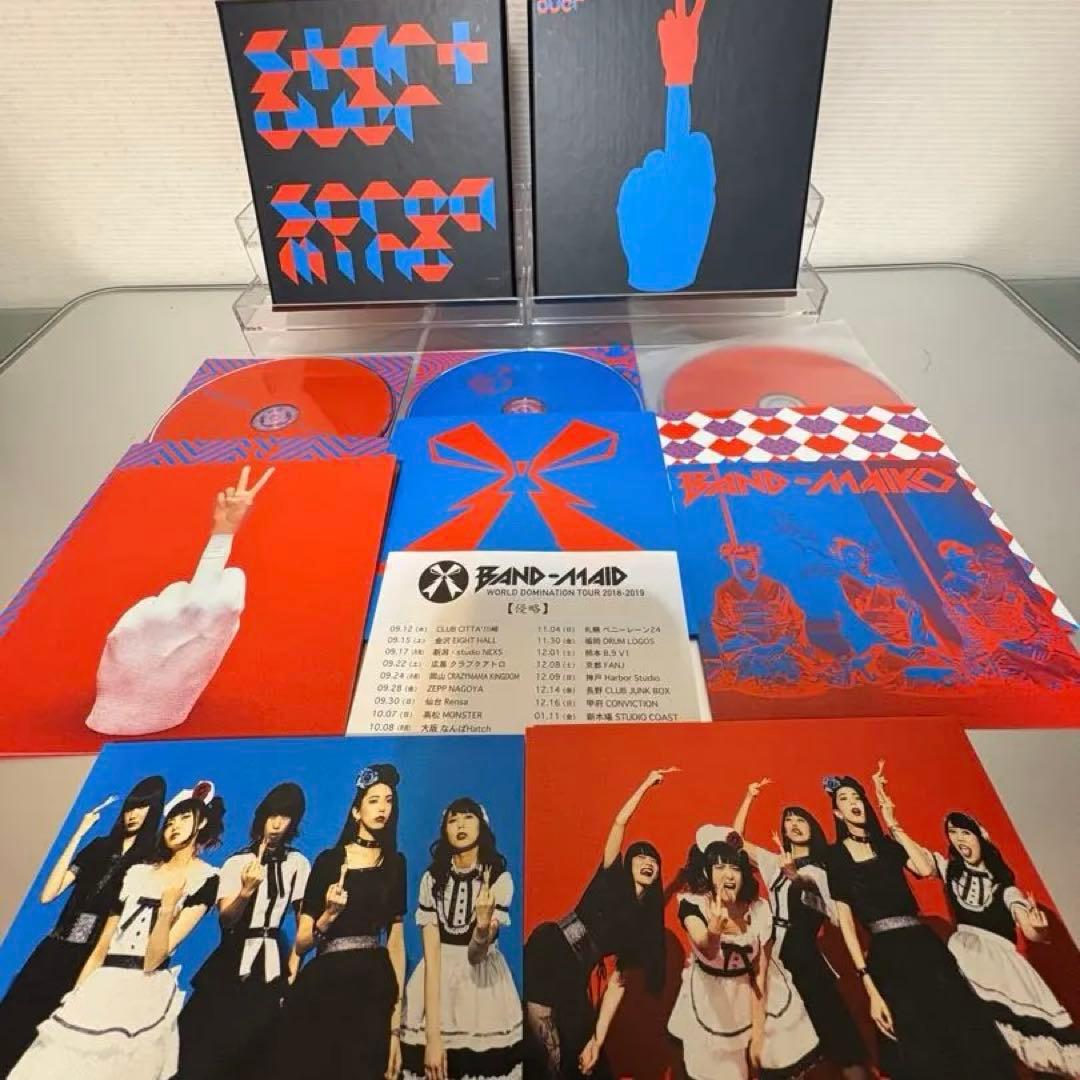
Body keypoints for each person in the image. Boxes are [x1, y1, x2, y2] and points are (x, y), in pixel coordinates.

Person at [10, 780, 225, 1080]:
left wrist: (166, 909)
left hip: (132, 980)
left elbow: (152, 957)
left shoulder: (197, 876)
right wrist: (77, 993)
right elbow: (92, 935)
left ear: (200, 823)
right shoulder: (127, 865)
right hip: (84, 964)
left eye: (184, 818)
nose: (174, 826)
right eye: (170, 821)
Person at [822, 765, 1015, 1079]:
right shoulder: (835, 856)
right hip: (887, 957)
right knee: (921, 1046)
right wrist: (869, 985)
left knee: (962, 1031)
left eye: (857, 796)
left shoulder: (886, 844)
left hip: (924, 947)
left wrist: (893, 823)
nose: (854, 802)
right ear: (837, 813)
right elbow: (846, 924)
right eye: (845, 798)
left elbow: (924, 869)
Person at [86, 464, 274, 736]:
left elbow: (195, 608)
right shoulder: (187, 634)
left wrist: (223, 531)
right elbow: (196, 609)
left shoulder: (143, 638)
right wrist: (223, 532)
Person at [0, 775, 166, 1074]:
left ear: (153, 811)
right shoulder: (100, 846)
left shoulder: (147, 862)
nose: (133, 814)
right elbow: (48, 894)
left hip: (91, 958)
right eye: (130, 807)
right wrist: (79, 832)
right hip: (54, 946)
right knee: (12, 1018)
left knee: (50, 1039)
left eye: (142, 807)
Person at [524, 769, 672, 1079]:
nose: (647, 862)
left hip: (576, 975)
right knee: (548, 1056)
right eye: (640, 857)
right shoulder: (610, 877)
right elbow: (620, 823)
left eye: (654, 861)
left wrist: (598, 1039)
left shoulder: (642, 926)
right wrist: (646, 783)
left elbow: (617, 984)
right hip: (550, 950)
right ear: (627, 863)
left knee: (584, 1060)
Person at [720, 778, 870, 1079]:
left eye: (801, 820)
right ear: (784, 831)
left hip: (804, 954)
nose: (795, 825)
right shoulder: (774, 862)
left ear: (813, 828)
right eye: (789, 821)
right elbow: (733, 841)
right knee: (781, 1038)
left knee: (836, 1031)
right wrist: (749, 796)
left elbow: (831, 910)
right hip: (773, 955)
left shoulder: (823, 869)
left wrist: (796, 879)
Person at [268, 764, 406, 1080]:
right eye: (373, 800)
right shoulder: (328, 861)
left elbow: (396, 942)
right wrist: (329, 915)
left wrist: (395, 1027)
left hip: (373, 983)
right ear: (356, 811)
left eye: (388, 801)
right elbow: (302, 943)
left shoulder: (395, 864)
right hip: (325, 982)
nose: (382, 808)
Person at [930, 810, 1079, 1077]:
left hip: (1001, 966)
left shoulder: (1006, 889)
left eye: (966, 832)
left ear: (981, 838)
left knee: (1036, 1050)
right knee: (982, 1043)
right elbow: (920, 864)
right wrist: (892, 823)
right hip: (966, 960)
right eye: (953, 833)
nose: (959, 838)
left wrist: (1039, 928)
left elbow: (1030, 929)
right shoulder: (950, 871)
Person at [177, 781, 310, 1079]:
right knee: (199, 1047)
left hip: (271, 964)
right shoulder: (237, 861)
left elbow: (304, 927)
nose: (277, 824)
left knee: (254, 1054)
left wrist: (291, 977)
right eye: (272, 815)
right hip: (231, 959)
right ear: (262, 817)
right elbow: (226, 920)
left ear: (293, 822)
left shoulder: (298, 864)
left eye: (285, 817)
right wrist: (246, 891)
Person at [668, 829, 820, 1079]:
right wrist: (714, 931)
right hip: (715, 1000)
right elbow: (705, 946)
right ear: (707, 872)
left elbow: (760, 973)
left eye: (735, 867)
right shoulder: (694, 905)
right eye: (719, 867)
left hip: (761, 994)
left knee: (773, 1061)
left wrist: (758, 1036)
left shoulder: (759, 910)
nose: (728, 874)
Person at [401, 797, 522, 1080]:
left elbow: (476, 955)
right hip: (436, 985)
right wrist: (433, 1037)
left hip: (483, 990)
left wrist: (482, 926)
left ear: (482, 826)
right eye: (452, 820)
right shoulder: (432, 879)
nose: (460, 825)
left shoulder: (499, 880)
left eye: (468, 817)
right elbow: (432, 958)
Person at [708, 542, 823, 695]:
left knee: (790, 668)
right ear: (732, 566)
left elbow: (796, 618)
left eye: (754, 562)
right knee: (752, 668)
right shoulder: (724, 592)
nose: (751, 568)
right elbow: (722, 625)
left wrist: (781, 643)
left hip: (782, 646)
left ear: (760, 563)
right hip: (746, 648)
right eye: (742, 564)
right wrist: (753, 647)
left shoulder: (776, 588)